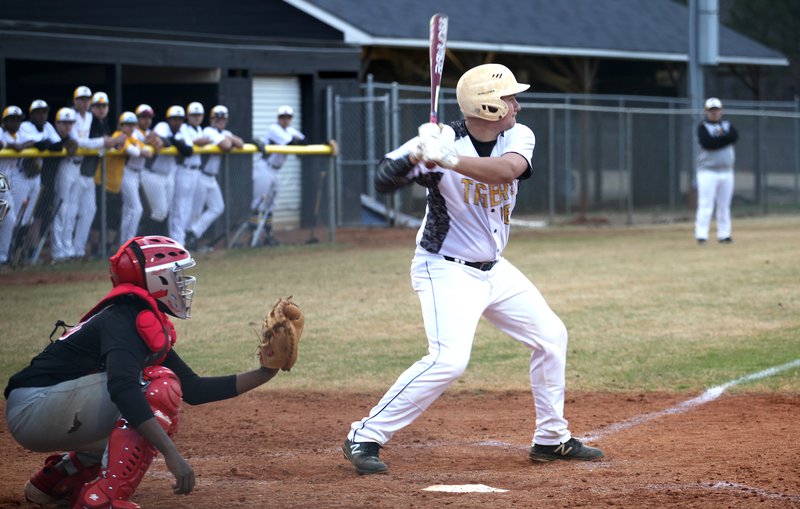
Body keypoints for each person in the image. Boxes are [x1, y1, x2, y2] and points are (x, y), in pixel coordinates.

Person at [341, 64, 604, 475]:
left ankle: (551, 439)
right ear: (488, 106)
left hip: (494, 269)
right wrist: (416, 155)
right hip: (444, 267)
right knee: (449, 360)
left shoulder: (517, 135)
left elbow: (508, 171)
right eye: (509, 99)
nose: (517, 105)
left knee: (551, 336)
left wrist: (448, 158)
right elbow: (382, 179)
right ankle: (365, 434)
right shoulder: (440, 138)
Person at [4, 235, 280, 508]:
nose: (182, 283)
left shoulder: (136, 316)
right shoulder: (125, 318)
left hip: (41, 406)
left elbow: (193, 389)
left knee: (151, 405)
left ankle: (56, 481)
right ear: (156, 278)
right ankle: (102, 500)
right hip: (34, 407)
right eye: (176, 274)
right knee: (156, 389)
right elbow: (122, 387)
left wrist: (265, 372)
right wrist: (171, 454)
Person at [186, 104, 243, 249]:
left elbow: (240, 144)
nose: (220, 121)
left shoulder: (224, 132)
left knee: (217, 207)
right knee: (195, 211)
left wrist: (226, 136)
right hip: (200, 175)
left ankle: (193, 234)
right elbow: (227, 146)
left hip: (211, 178)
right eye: (217, 118)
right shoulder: (208, 131)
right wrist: (227, 138)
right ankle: (186, 241)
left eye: (223, 118)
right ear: (211, 119)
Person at [251, 105, 305, 246]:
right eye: (283, 117)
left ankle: (268, 236)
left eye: (288, 117)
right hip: (264, 168)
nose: (285, 120)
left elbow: (304, 142)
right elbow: (291, 142)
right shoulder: (274, 129)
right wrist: (297, 141)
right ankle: (253, 237)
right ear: (278, 118)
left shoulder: (291, 130)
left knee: (271, 204)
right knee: (258, 203)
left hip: (275, 171)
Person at [103, 111, 154, 246]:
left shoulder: (133, 138)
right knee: (137, 209)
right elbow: (135, 152)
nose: (130, 128)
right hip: (125, 174)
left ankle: (124, 243)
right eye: (127, 125)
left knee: (129, 210)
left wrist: (142, 149)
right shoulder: (118, 136)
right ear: (121, 125)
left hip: (135, 175)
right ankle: (129, 242)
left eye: (132, 125)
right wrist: (141, 150)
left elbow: (147, 151)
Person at [694, 97, 739, 245]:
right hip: (707, 172)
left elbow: (735, 136)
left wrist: (721, 139)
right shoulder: (703, 127)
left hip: (727, 171)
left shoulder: (727, 124)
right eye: (711, 110)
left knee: (724, 205)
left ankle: (724, 235)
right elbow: (708, 143)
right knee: (706, 204)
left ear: (721, 111)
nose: (714, 113)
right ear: (706, 112)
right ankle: (702, 235)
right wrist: (724, 139)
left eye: (716, 110)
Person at [142, 106, 192, 235]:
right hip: (152, 173)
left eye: (180, 119)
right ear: (168, 119)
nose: (177, 122)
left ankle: (157, 244)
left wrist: (172, 141)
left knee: (164, 213)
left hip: (168, 175)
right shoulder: (162, 126)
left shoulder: (182, 132)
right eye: (174, 119)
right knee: (159, 212)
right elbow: (160, 139)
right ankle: (147, 244)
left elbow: (188, 150)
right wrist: (174, 142)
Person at [169, 102, 211, 246]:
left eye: (199, 115)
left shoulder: (200, 128)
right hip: (183, 169)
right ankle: (176, 243)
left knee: (190, 208)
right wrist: (201, 141)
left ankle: (182, 241)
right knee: (179, 208)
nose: (196, 118)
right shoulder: (184, 128)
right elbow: (189, 145)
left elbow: (205, 140)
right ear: (188, 116)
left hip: (196, 171)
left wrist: (202, 141)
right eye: (193, 115)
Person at [0, 105, 34, 265]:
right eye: (11, 119)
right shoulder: (1, 132)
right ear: (5, 122)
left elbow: (33, 140)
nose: (15, 122)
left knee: (10, 219)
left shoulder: (20, 133)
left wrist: (21, 145)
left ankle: (3, 257)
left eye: (17, 119)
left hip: (5, 179)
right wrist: (12, 145)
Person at [48, 107, 81, 262]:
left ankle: (67, 248)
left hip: (76, 168)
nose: (68, 126)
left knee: (71, 211)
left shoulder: (72, 134)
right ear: (57, 123)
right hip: (63, 169)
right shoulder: (53, 134)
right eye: (64, 123)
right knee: (61, 209)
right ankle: (57, 251)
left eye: (70, 123)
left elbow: (75, 142)